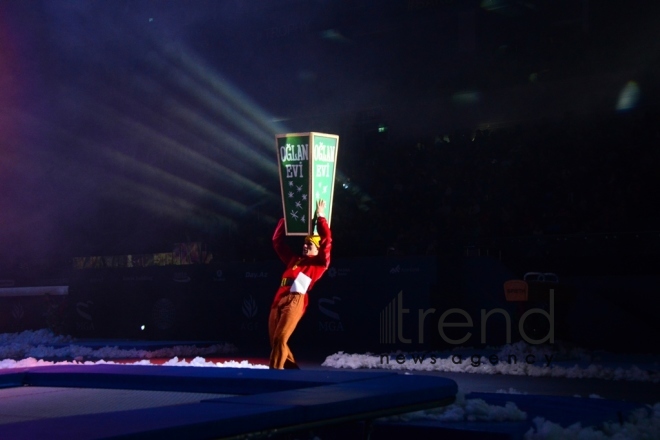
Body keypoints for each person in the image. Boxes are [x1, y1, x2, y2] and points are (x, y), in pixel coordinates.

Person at [268, 199, 332, 369]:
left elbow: (327, 241)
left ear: (317, 248)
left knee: (280, 338)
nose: (305, 246)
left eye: (309, 244)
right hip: (279, 299)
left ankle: (274, 374)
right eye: (304, 243)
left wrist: (321, 217)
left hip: (296, 300)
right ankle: (291, 371)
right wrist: (286, 219)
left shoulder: (319, 264)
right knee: (275, 340)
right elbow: (277, 243)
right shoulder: (294, 260)